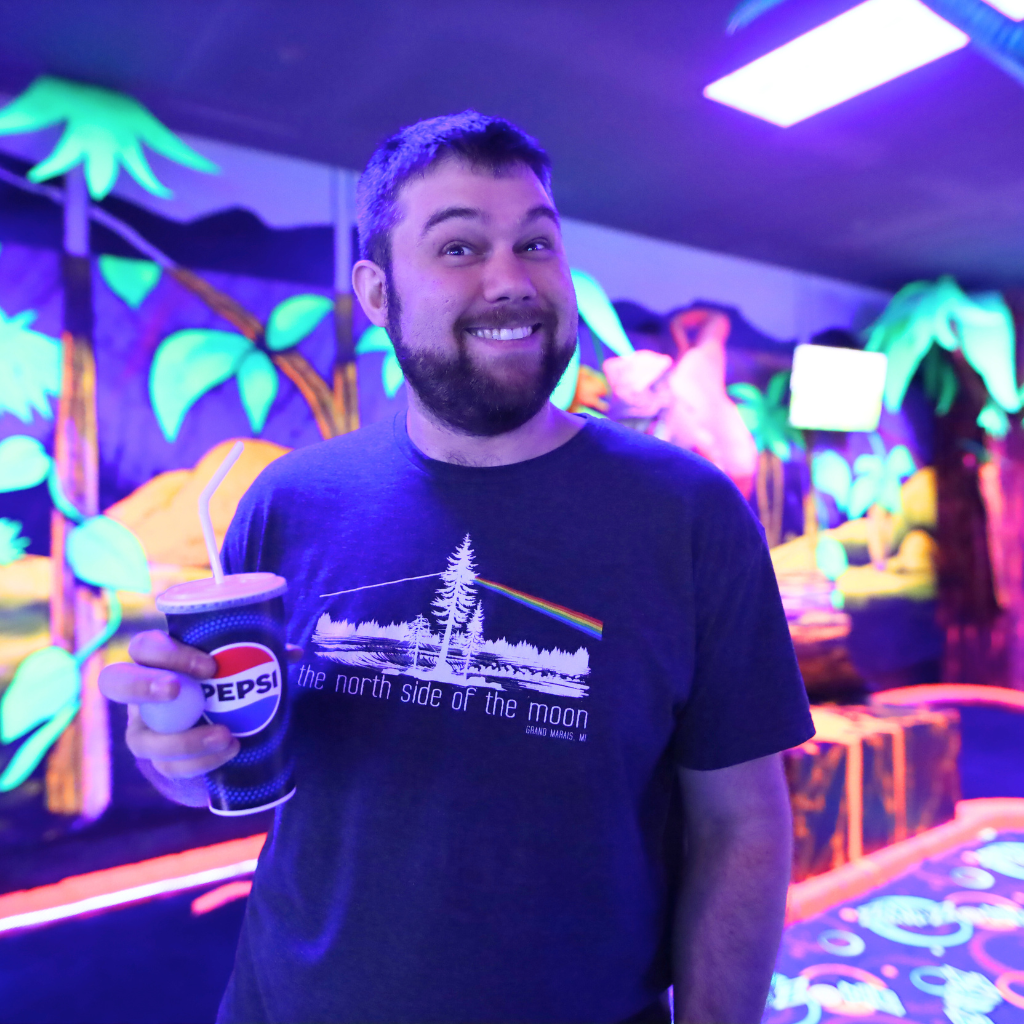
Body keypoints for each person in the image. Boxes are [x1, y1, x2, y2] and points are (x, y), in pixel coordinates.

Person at [100, 110, 814, 1024]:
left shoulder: (691, 513)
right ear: (376, 290)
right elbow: (218, 768)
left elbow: (740, 826)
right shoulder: (290, 503)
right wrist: (172, 749)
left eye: (537, 243)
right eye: (460, 247)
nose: (511, 280)